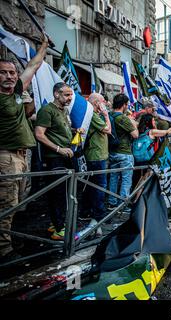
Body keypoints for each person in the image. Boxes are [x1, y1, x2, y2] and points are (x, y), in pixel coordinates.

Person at [0, 35, 49, 261]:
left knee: (17, 204)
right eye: (4, 73)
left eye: (12, 72)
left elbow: (33, 65)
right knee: (6, 205)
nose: (10, 76)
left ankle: (9, 240)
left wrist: (44, 47)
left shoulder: (17, 92)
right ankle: (4, 251)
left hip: (21, 156)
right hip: (5, 157)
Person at [35, 82, 75, 240]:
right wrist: (58, 149)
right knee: (57, 193)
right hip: (54, 159)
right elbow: (39, 134)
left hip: (65, 157)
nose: (70, 98)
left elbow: (58, 129)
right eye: (66, 94)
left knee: (62, 193)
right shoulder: (46, 110)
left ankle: (55, 223)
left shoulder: (63, 110)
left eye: (71, 94)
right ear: (56, 94)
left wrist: (74, 131)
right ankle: (59, 229)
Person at [80, 93, 111, 228]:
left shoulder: (92, 114)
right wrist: (106, 115)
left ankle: (86, 211)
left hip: (97, 154)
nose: (105, 104)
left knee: (91, 186)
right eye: (103, 102)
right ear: (97, 103)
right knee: (99, 186)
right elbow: (108, 130)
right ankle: (99, 214)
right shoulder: (92, 114)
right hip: (96, 156)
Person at [107, 94, 139, 211]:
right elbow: (135, 135)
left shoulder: (109, 115)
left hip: (112, 151)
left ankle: (112, 202)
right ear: (124, 105)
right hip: (124, 153)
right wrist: (133, 124)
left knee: (114, 178)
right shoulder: (123, 118)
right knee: (126, 179)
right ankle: (123, 204)